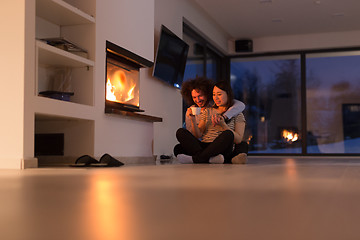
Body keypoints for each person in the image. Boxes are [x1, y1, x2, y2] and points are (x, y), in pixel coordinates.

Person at [175, 80, 248, 164]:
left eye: (219, 94)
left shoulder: (237, 114)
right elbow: (198, 134)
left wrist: (223, 125)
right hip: (206, 146)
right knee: (180, 134)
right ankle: (209, 159)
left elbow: (238, 140)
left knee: (228, 134)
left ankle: (197, 159)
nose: (216, 98)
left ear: (228, 94)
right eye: (214, 95)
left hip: (222, 147)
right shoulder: (208, 111)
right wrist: (193, 119)